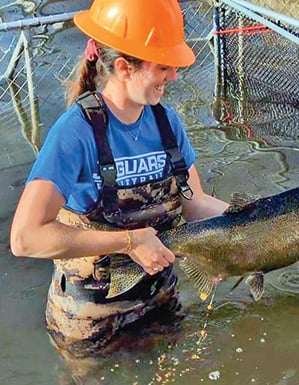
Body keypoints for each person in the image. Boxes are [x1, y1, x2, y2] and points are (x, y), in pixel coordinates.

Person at [9, 0, 229, 358]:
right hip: (89, 323)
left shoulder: (167, 123)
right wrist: (129, 242)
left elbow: (196, 204)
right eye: (163, 67)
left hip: (160, 303)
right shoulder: (75, 132)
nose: (173, 76)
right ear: (125, 67)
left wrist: (256, 220)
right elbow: (26, 237)